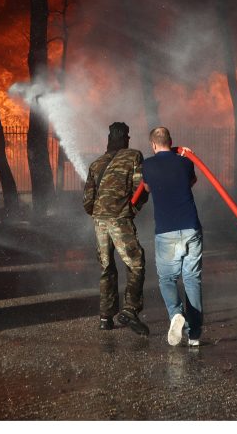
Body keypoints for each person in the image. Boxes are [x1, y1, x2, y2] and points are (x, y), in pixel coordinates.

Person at [83, 122, 150, 336]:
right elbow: (141, 188)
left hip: (99, 221)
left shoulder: (96, 164)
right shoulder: (133, 156)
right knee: (136, 262)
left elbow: (87, 201)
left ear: (109, 138)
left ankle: (105, 317)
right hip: (120, 219)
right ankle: (130, 310)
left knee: (106, 268)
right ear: (126, 138)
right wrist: (132, 209)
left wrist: (98, 213)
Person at [141, 126, 203, 347]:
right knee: (192, 279)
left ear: (153, 144)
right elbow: (191, 182)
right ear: (171, 141)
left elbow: (146, 188)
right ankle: (194, 335)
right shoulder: (186, 162)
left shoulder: (147, 164)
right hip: (191, 228)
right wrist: (183, 154)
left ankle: (176, 315)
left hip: (166, 231)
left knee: (167, 279)